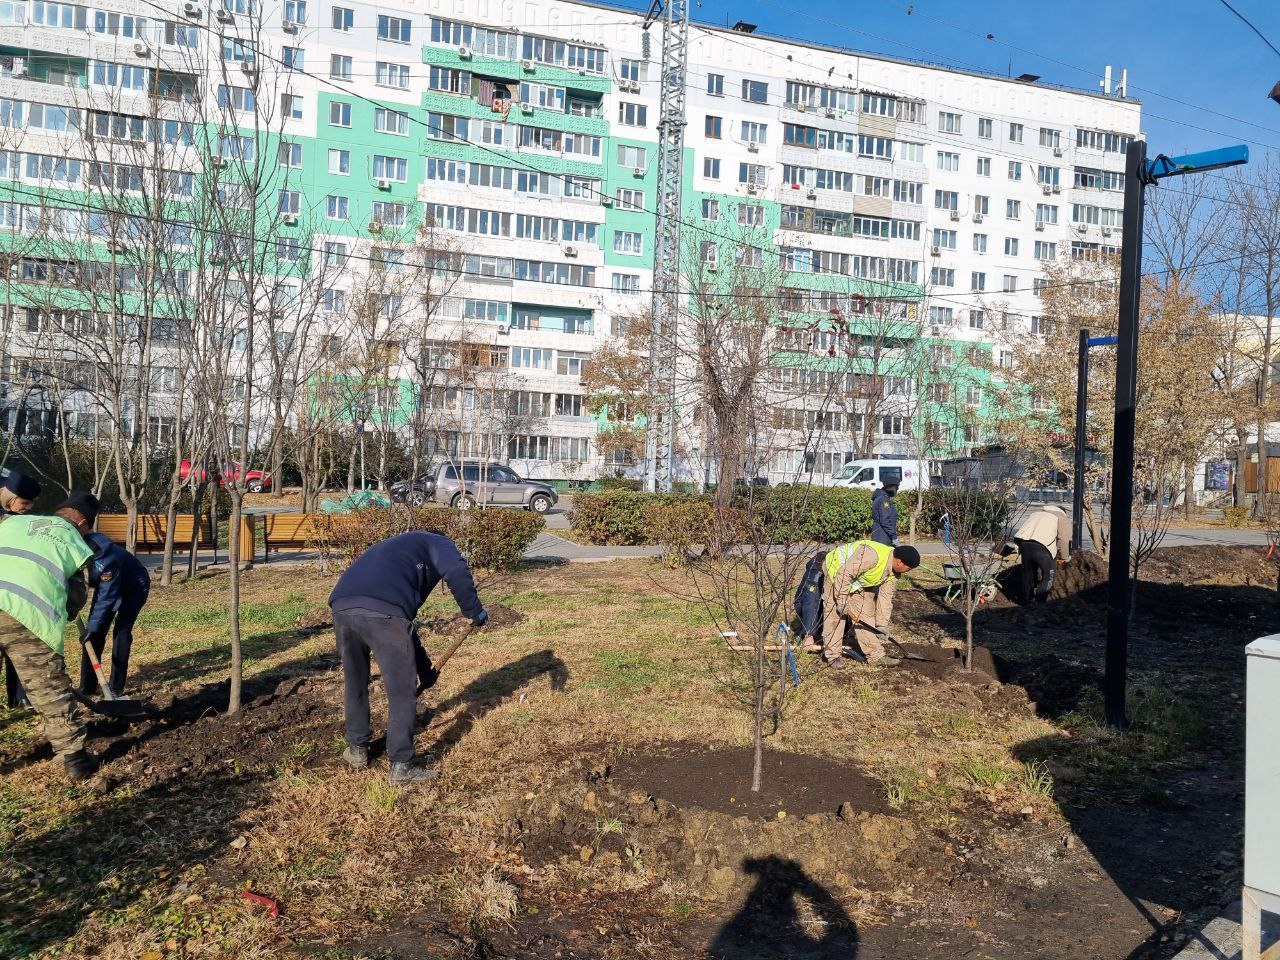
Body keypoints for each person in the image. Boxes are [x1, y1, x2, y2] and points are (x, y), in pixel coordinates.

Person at [328, 530, 488, 784]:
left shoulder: (395, 549)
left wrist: (425, 672)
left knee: (355, 682)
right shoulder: (437, 541)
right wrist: (474, 611)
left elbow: (405, 631)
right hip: (384, 614)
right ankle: (402, 765)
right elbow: (456, 570)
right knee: (402, 691)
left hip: (343, 607)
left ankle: (357, 750)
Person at [0, 492, 100, 781]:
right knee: (49, 689)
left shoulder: (13, 522)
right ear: (81, 522)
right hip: (28, 614)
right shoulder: (76, 544)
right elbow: (74, 599)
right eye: (89, 528)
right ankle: (76, 759)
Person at [821, 541, 921, 669]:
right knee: (835, 616)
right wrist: (841, 601)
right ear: (899, 562)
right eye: (909, 568)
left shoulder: (894, 574)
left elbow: (885, 597)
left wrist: (881, 625)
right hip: (837, 571)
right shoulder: (872, 555)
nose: (908, 571)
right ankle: (833, 656)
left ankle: (875, 656)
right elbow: (844, 573)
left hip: (857, 581)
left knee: (866, 614)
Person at [78, 530, 151, 697]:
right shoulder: (78, 545)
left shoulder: (106, 560)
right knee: (94, 635)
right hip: (109, 588)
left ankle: (116, 686)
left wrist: (93, 626)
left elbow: (106, 597)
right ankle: (87, 686)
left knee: (121, 632)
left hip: (134, 588)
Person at [1, 469, 40, 709]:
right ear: (10, 498)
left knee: (18, 646)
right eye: (24, 503)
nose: (28, 508)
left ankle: (20, 696)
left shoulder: (17, 517)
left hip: (17, 592)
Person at [1012, 504, 1071, 603]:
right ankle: (1040, 601)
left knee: (1028, 573)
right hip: (1043, 546)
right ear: (1063, 512)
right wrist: (1064, 557)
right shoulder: (1062, 518)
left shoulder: (1037, 513)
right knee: (1049, 576)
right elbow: (1064, 540)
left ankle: (1027, 599)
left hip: (1024, 543)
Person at [794, 550, 827, 654]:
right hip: (805, 604)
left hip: (823, 605)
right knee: (812, 599)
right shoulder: (815, 574)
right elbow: (810, 602)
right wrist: (809, 634)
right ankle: (809, 631)